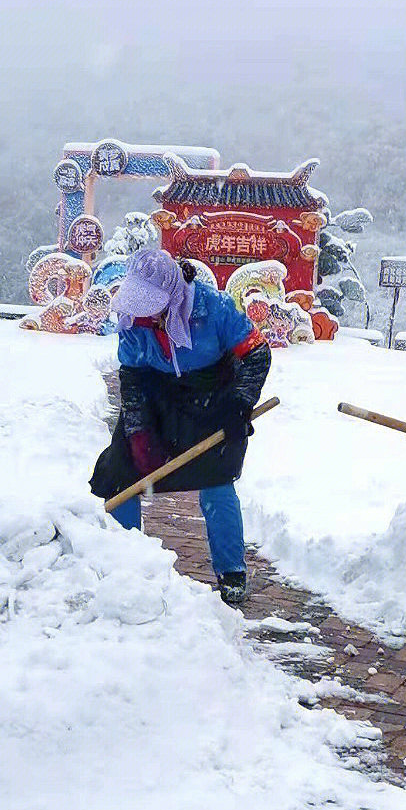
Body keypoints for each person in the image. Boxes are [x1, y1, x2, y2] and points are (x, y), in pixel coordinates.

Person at [89, 248, 271, 606]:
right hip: (157, 399)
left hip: (214, 399)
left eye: (150, 306)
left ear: (172, 293)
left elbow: (257, 353)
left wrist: (240, 402)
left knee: (216, 481)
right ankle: (127, 565)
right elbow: (133, 380)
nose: (144, 315)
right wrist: (139, 436)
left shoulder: (213, 308)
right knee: (119, 477)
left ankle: (232, 572)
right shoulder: (133, 322)